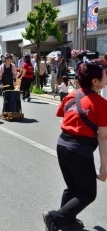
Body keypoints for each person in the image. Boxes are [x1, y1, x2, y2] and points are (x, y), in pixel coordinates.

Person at [43, 63, 107, 231]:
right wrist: (104, 167)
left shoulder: (71, 96)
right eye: (105, 75)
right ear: (95, 81)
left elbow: (62, 116)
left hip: (62, 144)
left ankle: (67, 222)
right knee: (88, 193)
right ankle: (55, 218)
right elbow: (103, 137)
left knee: (73, 187)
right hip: (79, 150)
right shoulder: (101, 104)